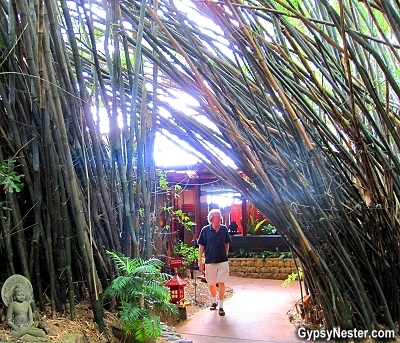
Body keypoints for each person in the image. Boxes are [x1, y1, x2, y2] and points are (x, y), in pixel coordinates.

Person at [197, 209, 232, 316]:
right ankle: (214, 301)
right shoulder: (205, 230)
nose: (219, 218)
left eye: (220, 216)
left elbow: (227, 242)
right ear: (212, 218)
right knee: (211, 283)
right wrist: (200, 259)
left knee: (221, 282)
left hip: (222, 260)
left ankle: (221, 305)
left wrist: (226, 253)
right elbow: (201, 245)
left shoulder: (224, 229)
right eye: (217, 216)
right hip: (210, 260)